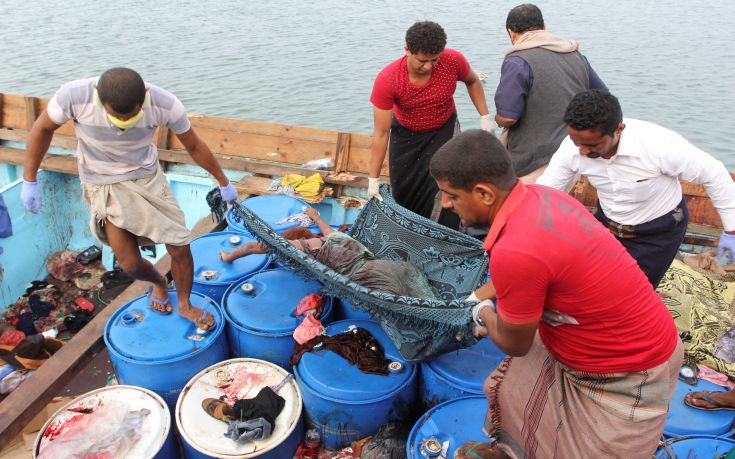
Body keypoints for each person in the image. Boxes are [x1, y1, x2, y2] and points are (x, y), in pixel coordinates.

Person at [430, 129, 682, 458]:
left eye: (451, 195)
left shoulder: (515, 251)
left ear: (484, 194)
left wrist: (482, 315)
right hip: (624, 331)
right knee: (517, 390)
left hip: (630, 369)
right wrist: (478, 296)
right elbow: (529, 273)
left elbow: (515, 343)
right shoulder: (542, 197)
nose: (446, 204)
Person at [21, 68, 238, 329]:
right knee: (129, 262)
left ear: (144, 97)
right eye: (116, 117)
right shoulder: (73, 96)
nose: (122, 125)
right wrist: (29, 179)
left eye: (132, 116)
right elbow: (42, 128)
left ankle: (185, 303)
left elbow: (193, 145)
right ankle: (158, 281)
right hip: (104, 185)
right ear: (99, 99)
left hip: (147, 180)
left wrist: (223, 181)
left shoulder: (164, 103)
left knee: (180, 246)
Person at [537, 90, 735, 288]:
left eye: (593, 145)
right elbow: (547, 191)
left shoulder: (659, 146)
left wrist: (731, 231)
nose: (582, 151)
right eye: (577, 143)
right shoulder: (572, 148)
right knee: (584, 282)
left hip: (657, 232)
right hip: (607, 223)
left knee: (633, 292)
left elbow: (714, 173)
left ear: (619, 129)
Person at [368, 20, 493, 229]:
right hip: (406, 138)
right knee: (404, 192)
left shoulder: (452, 60)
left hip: (445, 131)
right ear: (407, 50)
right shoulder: (389, 79)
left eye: (434, 60)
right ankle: (411, 234)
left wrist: (485, 116)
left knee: (451, 184)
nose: (428, 66)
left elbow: (472, 81)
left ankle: (446, 234)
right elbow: (381, 134)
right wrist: (372, 179)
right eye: (422, 61)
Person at [495, 3, 608, 183]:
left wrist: (496, 119)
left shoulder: (517, 61)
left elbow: (508, 117)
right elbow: (603, 98)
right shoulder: (576, 55)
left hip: (533, 162)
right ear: (545, 27)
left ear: (511, 32)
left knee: (528, 207)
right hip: (576, 151)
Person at [221, 208, 436, 299]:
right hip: (384, 265)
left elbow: (251, 247)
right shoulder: (330, 237)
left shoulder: (305, 248)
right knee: (416, 292)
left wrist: (229, 256)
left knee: (403, 298)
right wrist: (313, 216)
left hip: (368, 275)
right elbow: (325, 227)